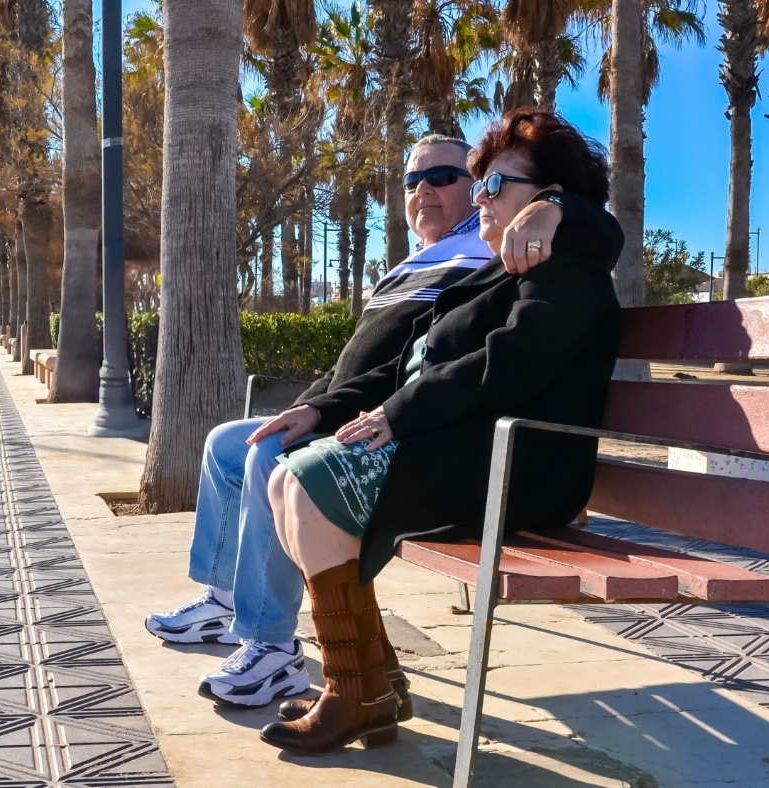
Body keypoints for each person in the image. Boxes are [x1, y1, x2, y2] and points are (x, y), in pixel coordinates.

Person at [144, 134, 567, 709]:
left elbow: (585, 225)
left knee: (272, 458)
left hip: (397, 430)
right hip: (351, 410)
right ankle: (224, 600)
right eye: (413, 182)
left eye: (444, 177)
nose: (424, 191)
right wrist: (312, 405)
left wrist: (553, 203)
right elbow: (362, 363)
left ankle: (271, 648)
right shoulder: (415, 263)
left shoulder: (494, 244)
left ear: (477, 187)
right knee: (227, 443)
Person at [257, 109, 623, 755]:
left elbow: (512, 362)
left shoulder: (566, 259)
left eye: (493, 186)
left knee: (311, 483)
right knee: (289, 473)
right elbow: (397, 372)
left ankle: (357, 692)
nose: (479, 197)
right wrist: (322, 410)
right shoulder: (490, 277)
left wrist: (560, 205)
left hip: (521, 468)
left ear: (548, 199)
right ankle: (365, 685)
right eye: (478, 185)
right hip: (465, 453)